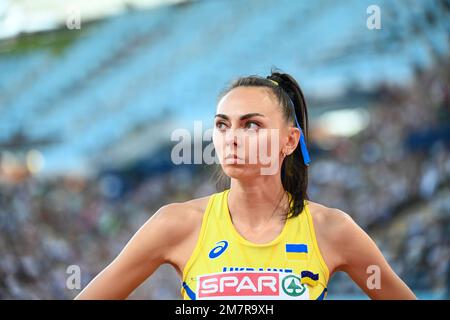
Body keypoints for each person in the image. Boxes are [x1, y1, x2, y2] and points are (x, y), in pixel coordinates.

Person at [75, 70, 416, 300]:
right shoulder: (176, 224)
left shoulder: (331, 230)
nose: (232, 139)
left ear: (290, 140)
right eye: (222, 126)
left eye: (251, 126)